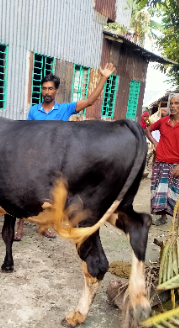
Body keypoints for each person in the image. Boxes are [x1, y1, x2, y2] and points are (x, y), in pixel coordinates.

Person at [14, 63, 116, 240]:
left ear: (56, 91)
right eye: (44, 88)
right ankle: (20, 228)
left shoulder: (65, 109)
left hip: (55, 162)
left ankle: (45, 227)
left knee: (51, 196)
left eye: (50, 89)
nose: (47, 92)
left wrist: (104, 78)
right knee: (26, 192)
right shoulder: (33, 111)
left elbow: (90, 101)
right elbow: (27, 134)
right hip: (35, 160)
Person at [145, 94, 179, 226]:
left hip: (177, 164)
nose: (173, 106)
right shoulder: (163, 121)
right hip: (161, 162)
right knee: (159, 191)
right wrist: (155, 143)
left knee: (177, 193)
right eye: (171, 103)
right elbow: (147, 129)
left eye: (176, 103)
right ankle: (163, 217)